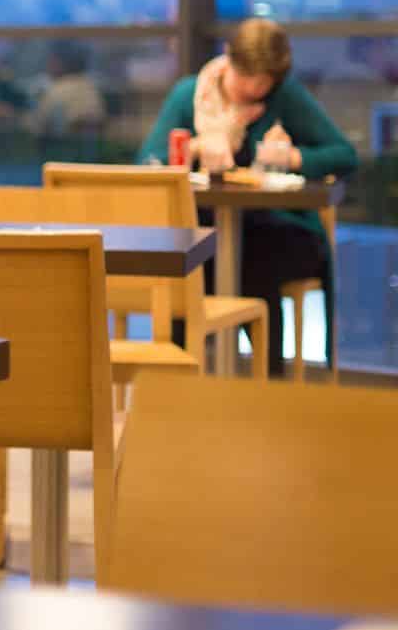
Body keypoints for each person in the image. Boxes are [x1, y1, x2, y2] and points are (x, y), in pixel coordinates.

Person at [136, 18, 357, 376]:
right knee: (187, 269)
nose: (254, 89)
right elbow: (148, 163)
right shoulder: (191, 96)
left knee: (252, 265)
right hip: (208, 233)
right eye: (246, 77)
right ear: (228, 60)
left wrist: (291, 157)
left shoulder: (284, 98)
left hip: (281, 230)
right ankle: (179, 385)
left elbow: (344, 155)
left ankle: (266, 386)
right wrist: (196, 147)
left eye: (264, 82)